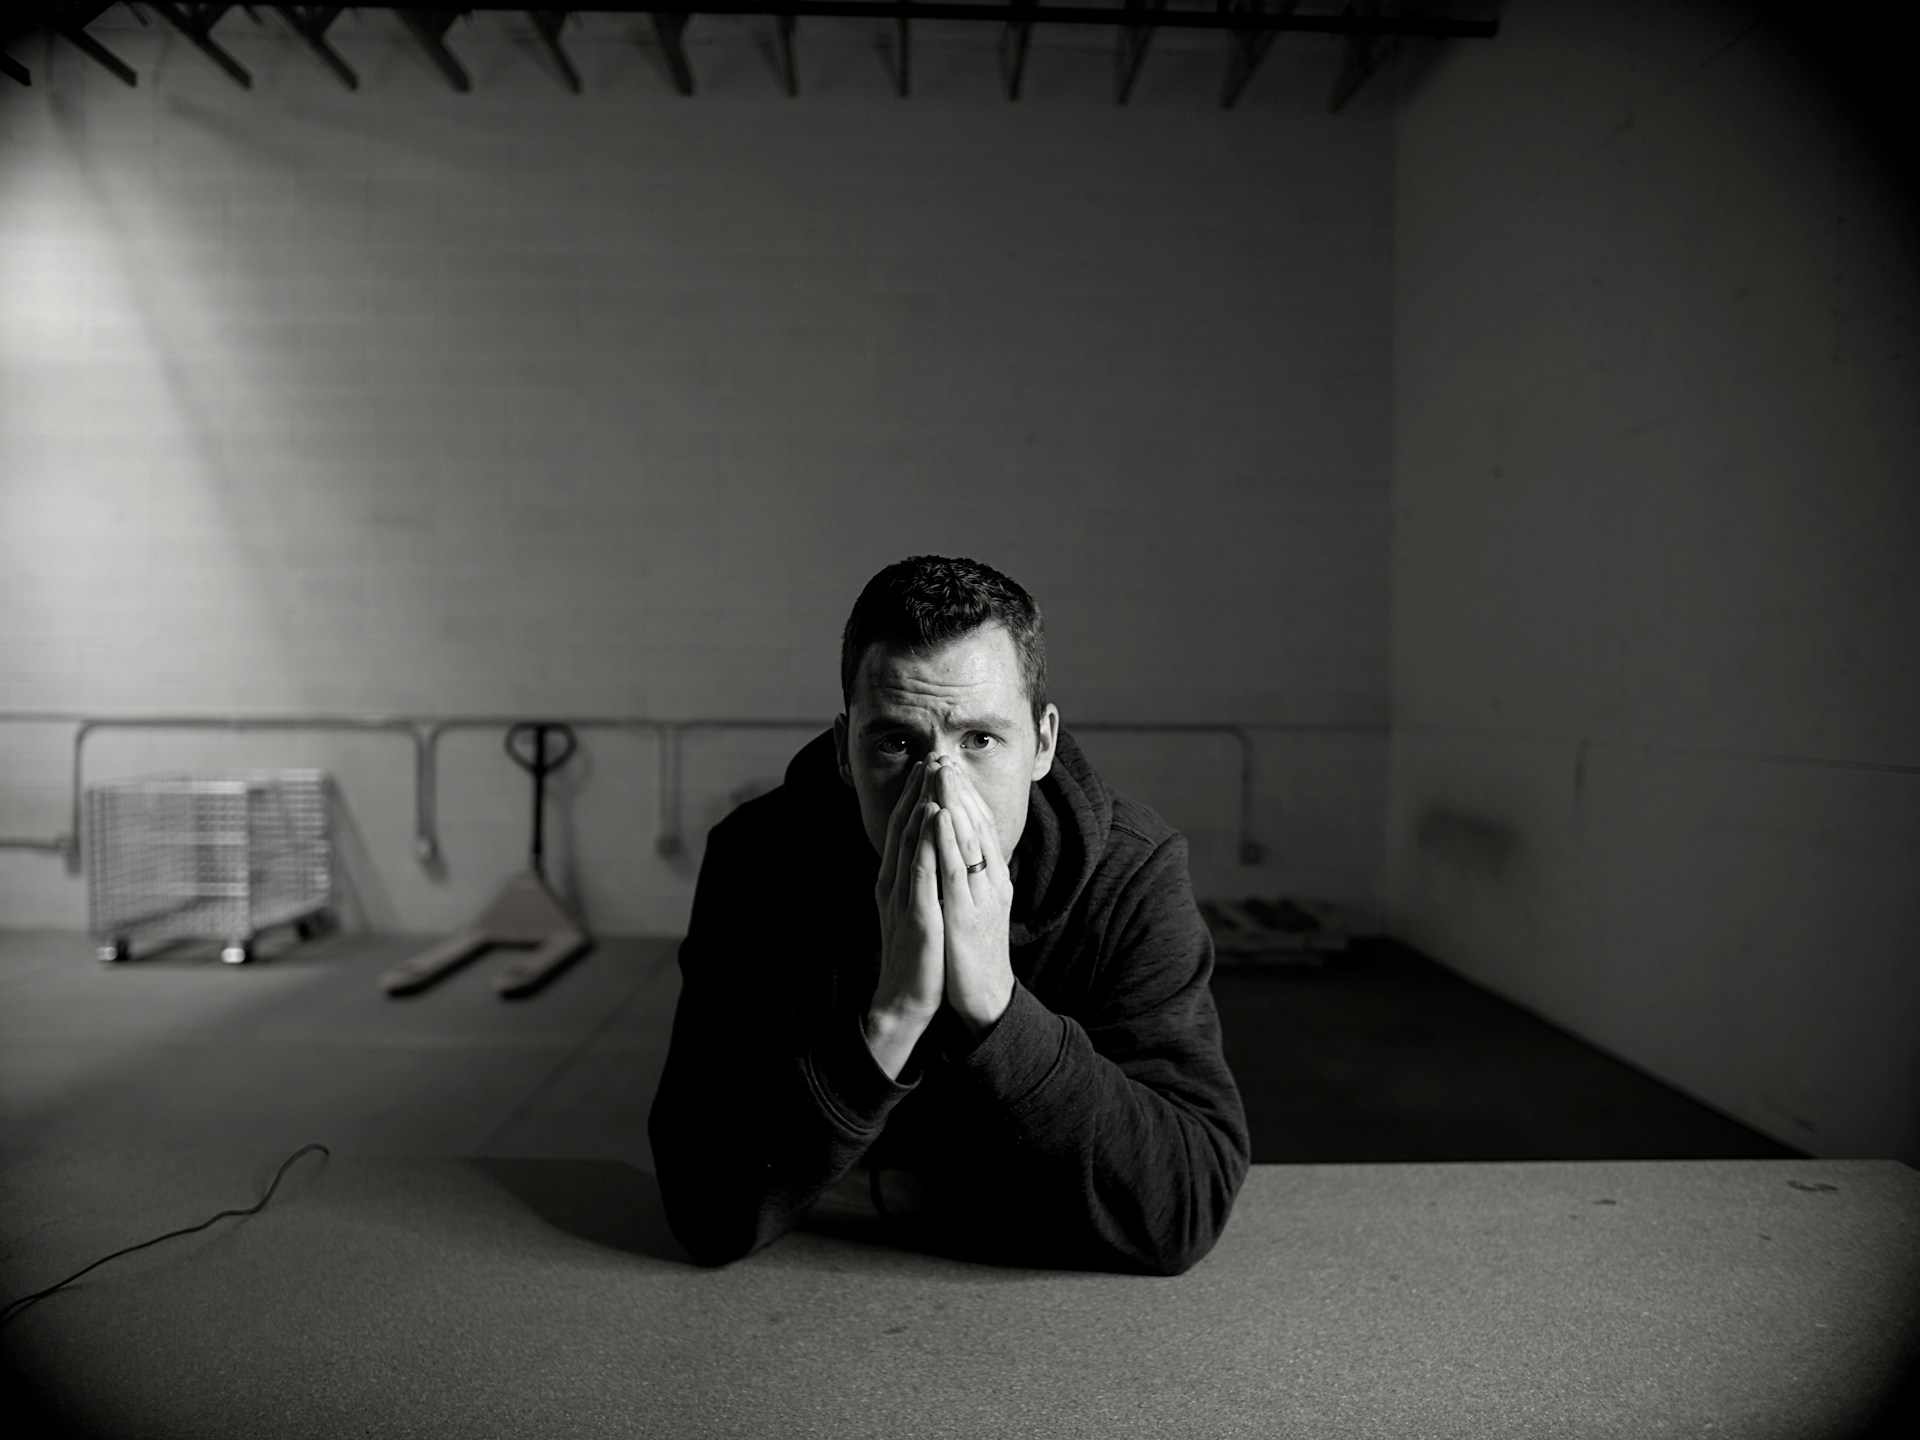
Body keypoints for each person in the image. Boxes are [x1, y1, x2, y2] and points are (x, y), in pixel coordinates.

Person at [647, 554, 1250, 1275]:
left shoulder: (1132, 873)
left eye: (981, 740)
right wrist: (893, 1015)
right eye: (897, 743)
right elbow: (703, 1209)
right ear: (845, 751)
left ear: (1043, 744)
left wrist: (996, 1003)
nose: (939, 794)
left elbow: (1184, 1208)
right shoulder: (758, 861)